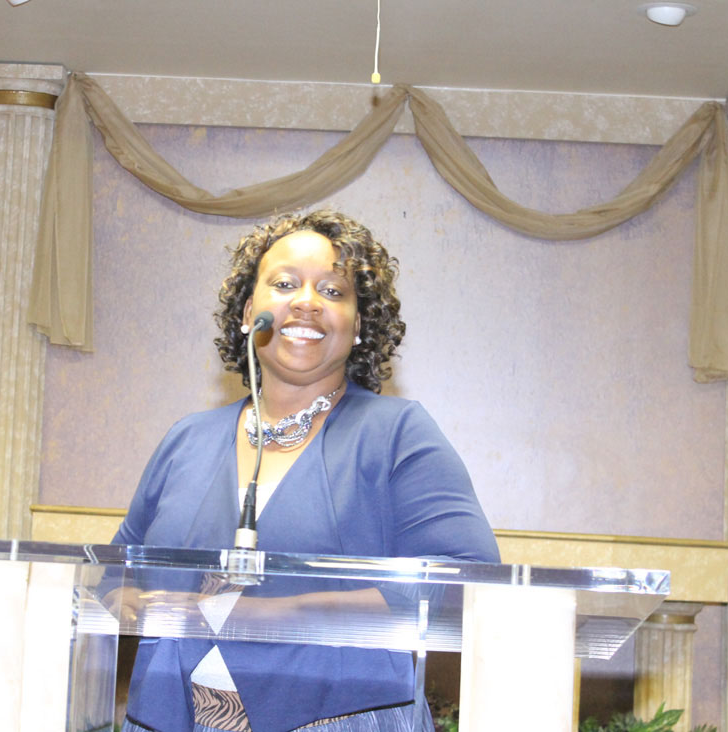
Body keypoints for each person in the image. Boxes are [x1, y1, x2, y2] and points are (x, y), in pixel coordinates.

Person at [110, 210, 498, 732]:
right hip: (171, 717)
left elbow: (463, 581)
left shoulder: (395, 433)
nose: (307, 301)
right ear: (248, 312)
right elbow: (112, 574)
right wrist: (130, 601)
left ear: (357, 326)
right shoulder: (187, 439)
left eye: (333, 291)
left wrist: (259, 614)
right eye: (285, 283)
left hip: (340, 717)